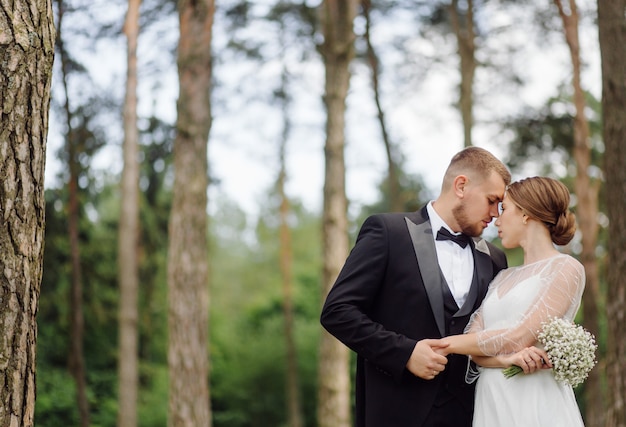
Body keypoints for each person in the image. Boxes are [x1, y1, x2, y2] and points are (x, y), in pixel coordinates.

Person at [320, 146, 512, 427]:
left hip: (473, 414)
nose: (496, 213)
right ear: (461, 186)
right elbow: (338, 311)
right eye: (491, 200)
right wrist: (404, 352)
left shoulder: (494, 258)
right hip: (396, 412)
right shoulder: (389, 233)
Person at [431, 176, 586, 426]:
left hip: (533, 399)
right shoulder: (503, 276)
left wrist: (444, 345)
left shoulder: (566, 268)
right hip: (491, 399)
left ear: (525, 214)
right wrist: (503, 361)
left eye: (504, 209)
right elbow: (474, 342)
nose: (497, 219)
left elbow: (519, 336)